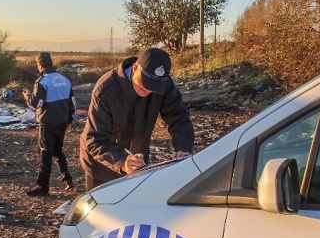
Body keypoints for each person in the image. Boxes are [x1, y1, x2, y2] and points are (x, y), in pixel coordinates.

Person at [79, 47, 194, 190]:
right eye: (144, 82)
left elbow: (178, 116)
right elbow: (94, 140)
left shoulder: (163, 85)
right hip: (101, 165)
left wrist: (183, 148)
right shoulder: (106, 90)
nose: (147, 89)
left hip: (137, 164)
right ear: (135, 67)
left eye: (154, 87)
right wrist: (121, 163)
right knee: (101, 209)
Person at [23, 52, 76, 196]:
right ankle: (67, 181)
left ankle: (43, 187)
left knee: (45, 154)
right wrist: (70, 121)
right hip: (63, 120)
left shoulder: (42, 82)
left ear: (39, 65)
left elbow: (36, 103)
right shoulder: (64, 80)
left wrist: (28, 96)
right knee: (58, 152)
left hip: (48, 122)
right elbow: (72, 103)